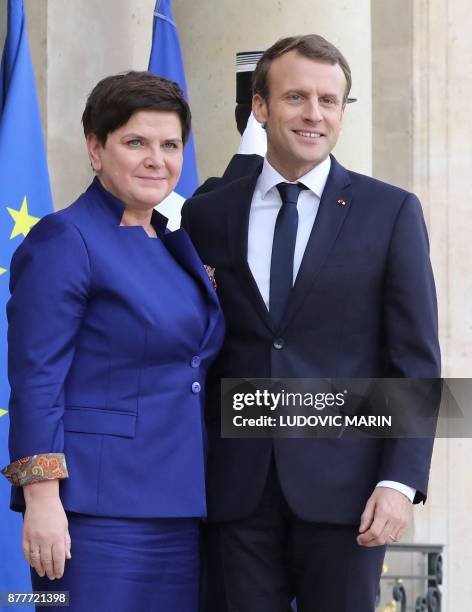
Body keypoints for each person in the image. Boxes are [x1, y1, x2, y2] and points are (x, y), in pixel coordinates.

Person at [181, 35, 441, 612]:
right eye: (296, 96)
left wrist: (399, 482)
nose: (314, 114)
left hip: (348, 493)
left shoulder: (390, 212)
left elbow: (416, 361)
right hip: (233, 491)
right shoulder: (207, 212)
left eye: (330, 100)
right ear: (261, 107)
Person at [1, 71, 224, 612]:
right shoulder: (64, 238)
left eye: (170, 145)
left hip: (177, 507)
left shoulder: (173, 239)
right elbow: (36, 380)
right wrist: (42, 497)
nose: (157, 159)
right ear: (96, 150)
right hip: (93, 515)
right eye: (136, 143)